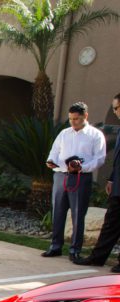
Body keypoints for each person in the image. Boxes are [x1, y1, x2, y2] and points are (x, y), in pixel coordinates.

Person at [42, 101, 106, 262]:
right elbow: (54, 151)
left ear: (85, 116)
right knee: (58, 212)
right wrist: (51, 161)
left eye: (76, 119)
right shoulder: (64, 133)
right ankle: (55, 246)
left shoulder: (95, 135)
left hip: (80, 177)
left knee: (78, 214)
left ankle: (75, 249)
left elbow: (100, 159)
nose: (73, 122)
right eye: (70, 119)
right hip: (61, 175)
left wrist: (81, 167)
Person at [74, 93, 120, 273]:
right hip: (118, 186)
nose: (115, 112)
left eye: (116, 108)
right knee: (111, 223)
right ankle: (97, 258)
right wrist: (112, 179)